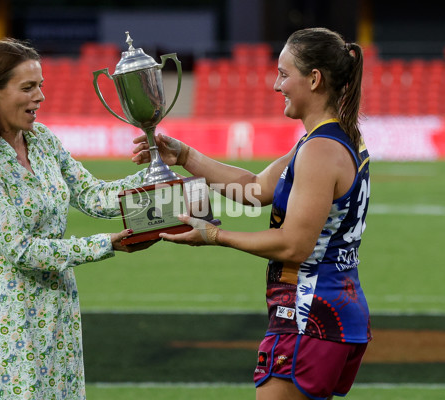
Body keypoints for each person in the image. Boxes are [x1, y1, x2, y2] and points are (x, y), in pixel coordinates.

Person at [132, 27, 371, 400]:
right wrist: (185, 157)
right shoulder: (332, 139)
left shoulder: (319, 151)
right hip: (331, 312)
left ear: (314, 79)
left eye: (284, 74)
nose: (276, 85)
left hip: (307, 316)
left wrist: (214, 235)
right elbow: (256, 188)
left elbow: (293, 246)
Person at [0, 38, 153, 400]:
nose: (40, 96)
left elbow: (93, 195)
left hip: (59, 303)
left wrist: (156, 175)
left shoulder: (41, 139)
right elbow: (22, 251)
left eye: (40, 85)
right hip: (9, 311)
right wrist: (105, 244)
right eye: (28, 87)